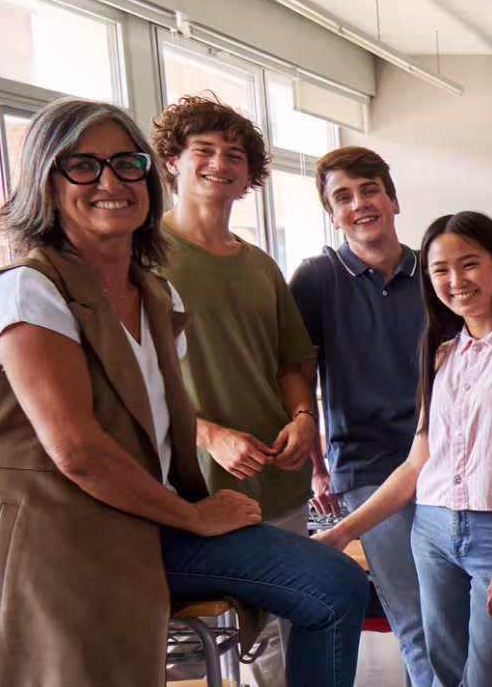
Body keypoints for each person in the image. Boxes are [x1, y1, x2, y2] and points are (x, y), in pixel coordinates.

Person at [0, 98, 366, 687]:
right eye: (83, 166)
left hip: (141, 519)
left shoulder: (156, 295)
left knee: (334, 583)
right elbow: (78, 451)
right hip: (51, 538)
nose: (111, 181)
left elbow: (180, 412)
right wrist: (194, 514)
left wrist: (295, 423)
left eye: (125, 163)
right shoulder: (26, 292)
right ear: (45, 180)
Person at [314, 211, 492, 687]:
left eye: (469, 264)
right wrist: (343, 532)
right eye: (440, 269)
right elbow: (417, 463)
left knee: (491, 678)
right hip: (432, 533)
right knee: (444, 675)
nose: (456, 280)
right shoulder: (440, 353)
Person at [154, 93, 320, 684]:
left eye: (234, 155)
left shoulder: (261, 266)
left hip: (278, 479)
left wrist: (304, 417)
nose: (219, 163)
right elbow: (128, 381)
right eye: (204, 150)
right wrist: (209, 434)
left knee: (288, 631)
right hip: (190, 486)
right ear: (173, 159)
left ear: (250, 176)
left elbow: (288, 363)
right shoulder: (143, 259)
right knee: (199, 647)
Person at [287, 146, 431, 687]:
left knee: (458, 611)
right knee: (413, 615)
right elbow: (300, 378)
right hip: (367, 465)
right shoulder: (316, 279)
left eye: (369, 190)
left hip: (443, 461)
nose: (359, 204)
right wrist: (319, 467)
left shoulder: (434, 270)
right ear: (332, 214)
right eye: (342, 197)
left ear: (392, 199)